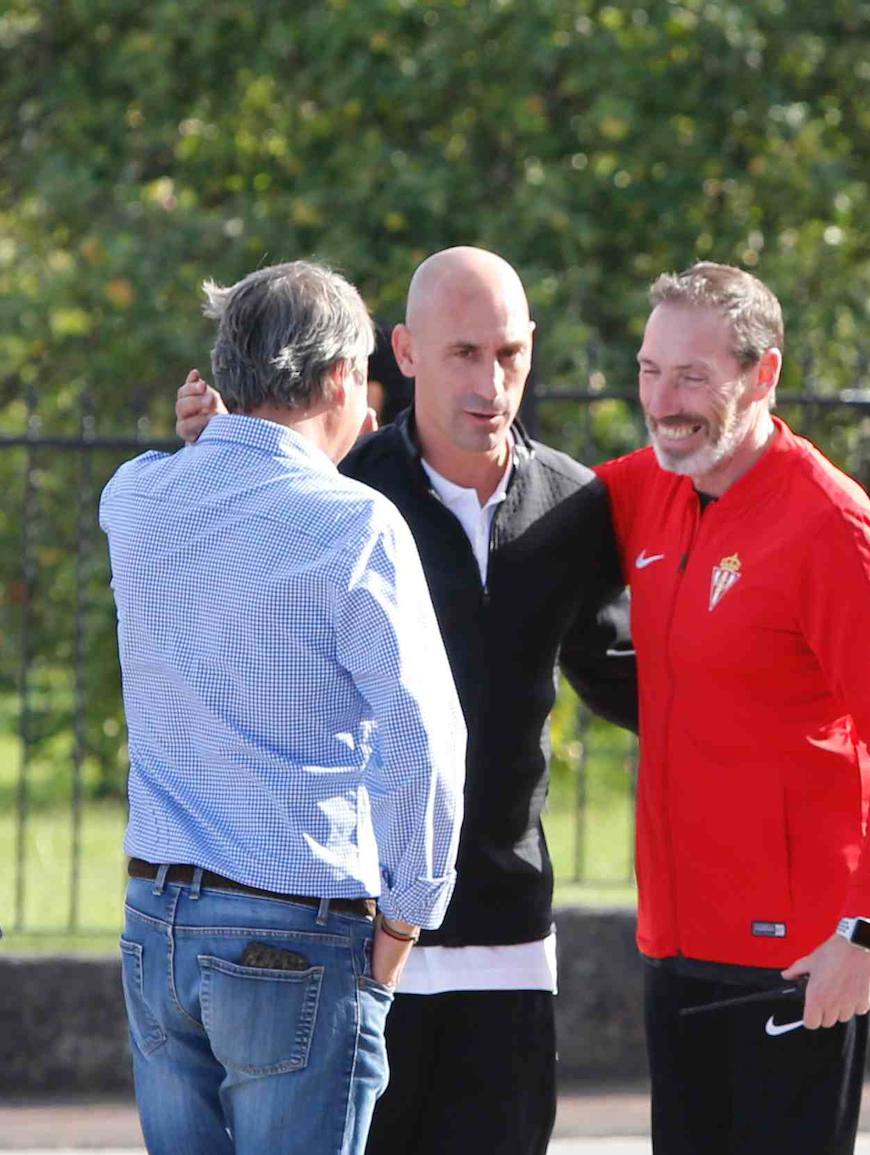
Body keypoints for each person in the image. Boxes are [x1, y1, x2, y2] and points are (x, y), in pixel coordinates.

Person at [175, 246, 636, 1155]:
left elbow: (630, 680)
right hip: (356, 934)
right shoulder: (343, 494)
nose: (491, 381)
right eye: (464, 352)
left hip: (507, 931)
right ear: (406, 352)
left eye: (508, 353)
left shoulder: (574, 505)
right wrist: (216, 455)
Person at [102, 261, 465, 1155]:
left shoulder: (134, 498)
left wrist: (209, 443)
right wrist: (403, 921)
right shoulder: (356, 525)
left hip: (157, 917)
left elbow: (218, 492)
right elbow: (425, 741)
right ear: (343, 376)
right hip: (296, 925)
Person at [594, 262, 870, 1155]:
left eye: (692, 376)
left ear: (764, 375)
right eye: (648, 369)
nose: (662, 401)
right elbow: (505, 497)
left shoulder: (833, 528)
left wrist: (866, 931)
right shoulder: (654, 486)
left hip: (797, 965)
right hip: (675, 952)